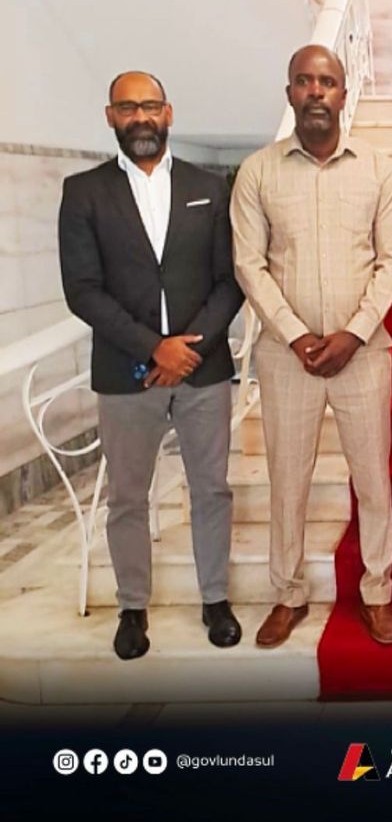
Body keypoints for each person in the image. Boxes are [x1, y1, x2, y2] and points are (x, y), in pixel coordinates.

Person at [59, 71, 244, 660]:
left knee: (211, 488)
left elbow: (230, 280)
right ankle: (132, 607)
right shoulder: (83, 192)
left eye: (150, 106)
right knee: (127, 496)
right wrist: (151, 348)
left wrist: (187, 351)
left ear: (168, 113)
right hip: (125, 374)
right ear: (110, 116)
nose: (140, 117)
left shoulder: (208, 187)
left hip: (202, 370)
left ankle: (215, 600)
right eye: (127, 107)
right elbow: (82, 290)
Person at [231, 45, 392, 648]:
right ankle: (288, 594)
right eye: (304, 81)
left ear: (343, 94)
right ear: (290, 93)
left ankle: (377, 591)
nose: (315, 91)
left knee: (373, 479)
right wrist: (297, 334)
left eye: (327, 82)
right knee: (288, 480)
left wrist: (354, 332)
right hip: (288, 358)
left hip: (364, 354)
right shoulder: (258, 172)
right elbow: (249, 264)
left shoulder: (378, 169)